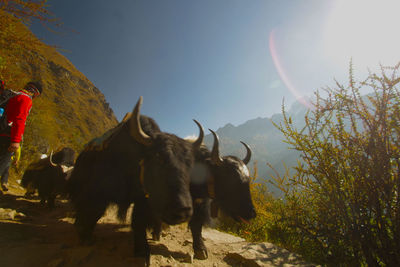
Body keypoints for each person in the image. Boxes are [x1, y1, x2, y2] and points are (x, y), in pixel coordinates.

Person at [0, 81, 42, 191]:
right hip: (7, 134)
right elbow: (19, 119)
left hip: (1, 129)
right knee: (2, 163)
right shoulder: (26, 99)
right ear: (36, 93)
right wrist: (16, 140)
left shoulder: (13, 94)